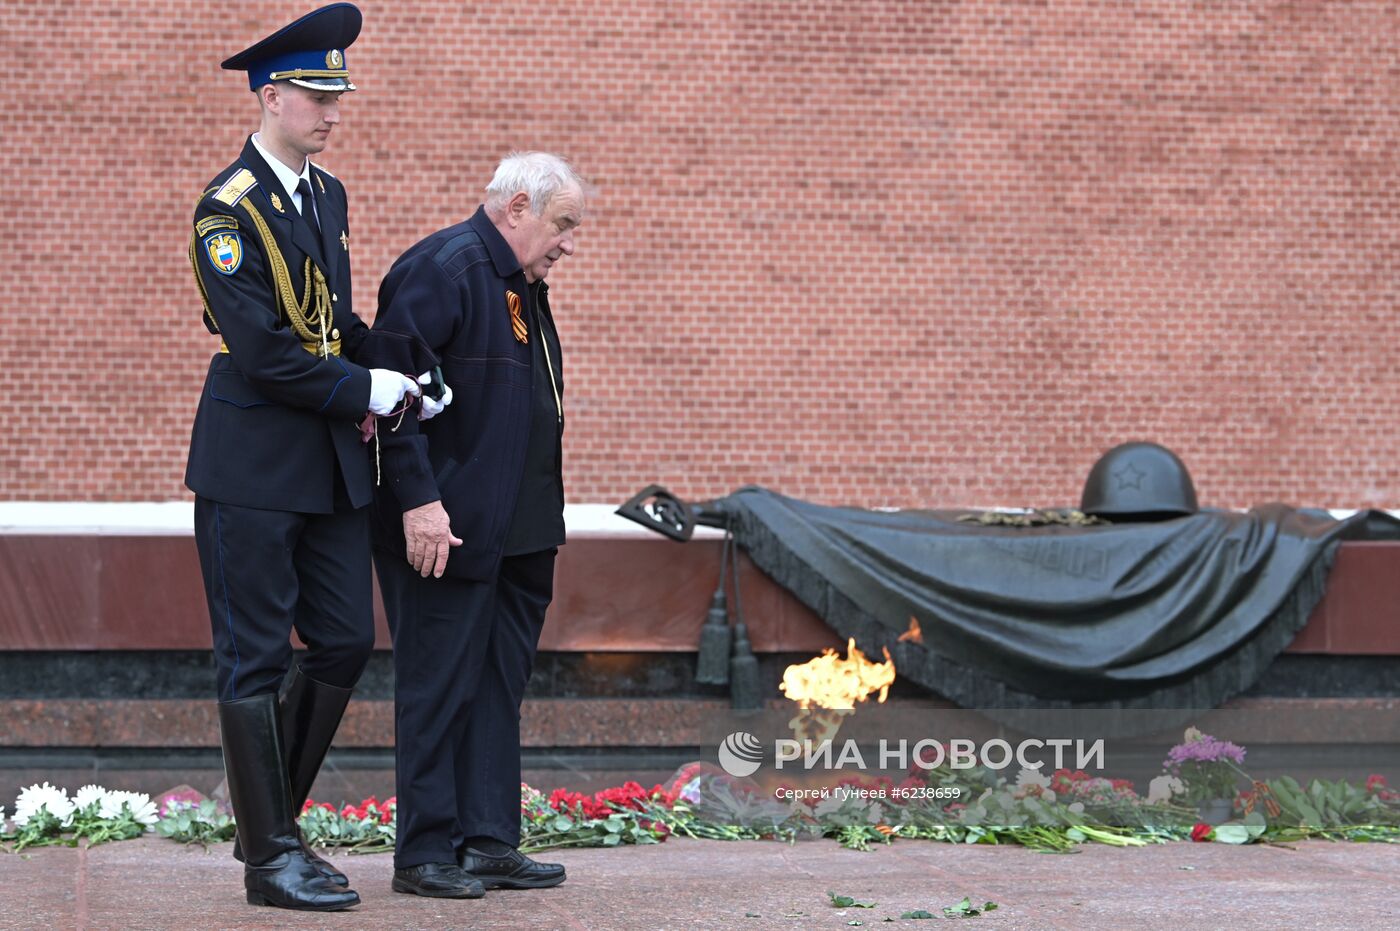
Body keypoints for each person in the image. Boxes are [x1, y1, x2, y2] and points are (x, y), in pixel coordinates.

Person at [186, 3, 447, 911]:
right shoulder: (229, 209)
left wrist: (404, 372)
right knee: (253, 655)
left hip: (329, 464)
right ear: (269, 96)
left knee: (342, 639)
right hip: (253, 465)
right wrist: (363, 391)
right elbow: (263, 350)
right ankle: (270, 859)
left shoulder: (325, 195)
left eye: (337, 94)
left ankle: (270, 823)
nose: (331, 111)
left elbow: (333, 326)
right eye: (313, 94)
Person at [359, 152, 585, 898]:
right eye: (562, 225)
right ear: (517, 207)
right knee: (437, 682)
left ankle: (487, 839)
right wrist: (419, 502)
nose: (568, 244)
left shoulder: (521, 283)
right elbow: (396, 398)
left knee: (496, 685)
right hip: (445, 529)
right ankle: (424, 851)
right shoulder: (443, 269)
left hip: (520, 533)